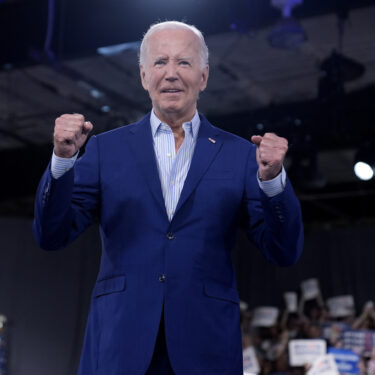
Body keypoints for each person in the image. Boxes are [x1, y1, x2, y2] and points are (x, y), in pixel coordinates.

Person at [33, 21, 304, 375]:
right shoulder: (104, 150)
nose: (171, 74)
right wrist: (62, 160)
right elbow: (51, 235)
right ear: (144, 76)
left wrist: (272, 182)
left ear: (204, 77)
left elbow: (283, 252)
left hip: (205, 347)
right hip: (120, 343)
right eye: (160, 63)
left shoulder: (240, 156)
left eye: (184, 63)